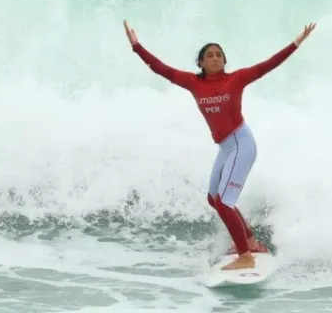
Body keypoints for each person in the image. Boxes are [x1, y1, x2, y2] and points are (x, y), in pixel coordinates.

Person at [123, 20, 316, 270]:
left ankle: (245, 257)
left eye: (219, 55)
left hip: (241, 143)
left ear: (225, 61)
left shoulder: (236, 79)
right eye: (209, 55)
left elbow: (269, 64)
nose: (215, 58)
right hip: (226, 147)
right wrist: (137, 47)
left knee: (225, 202)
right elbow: (161, 69)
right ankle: (248, 239)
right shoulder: (193, 82)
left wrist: (296, 43)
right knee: (215, 199)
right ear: (200, 63)